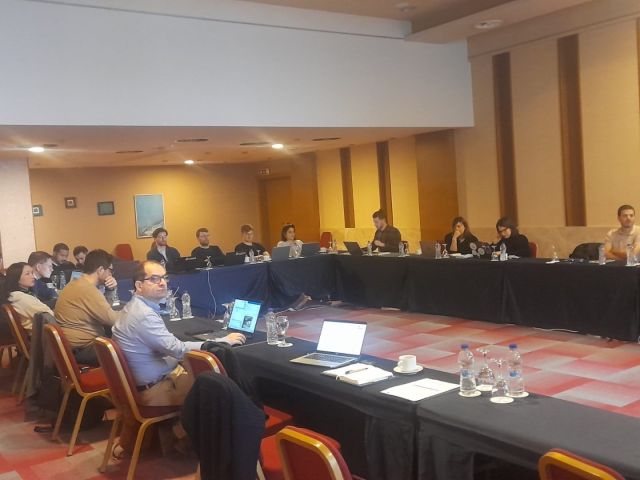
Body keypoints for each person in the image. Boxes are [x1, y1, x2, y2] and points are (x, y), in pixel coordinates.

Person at [112, 260, 245, 454]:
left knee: (197, 370)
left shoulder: (134, 307)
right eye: (154, 279)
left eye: (164, 277)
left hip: (141, 384)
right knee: (218, 387)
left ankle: (183, 433)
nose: (162, 283)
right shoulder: (143, 315)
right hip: (153, 391)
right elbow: (177, 349)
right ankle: (183, 436)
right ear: (139, 286)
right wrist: (220, 341)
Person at [54, 250, 121, 366]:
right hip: (83, 349)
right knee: (131, 348)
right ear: (100, 270)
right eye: (110, 270)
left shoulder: (77, 283)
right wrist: (135, 312)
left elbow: (104, 310)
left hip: (72, 346)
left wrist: (110, 289)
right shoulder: (87, 290)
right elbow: (114, 320)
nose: (111, 274)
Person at [1, 262, 53, 333]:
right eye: (27, 274)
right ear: (16, 278)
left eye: (32, 273)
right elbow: (49, 315)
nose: (32, 276)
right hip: (43, 335)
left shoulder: (13, 294)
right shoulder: (20, 297)